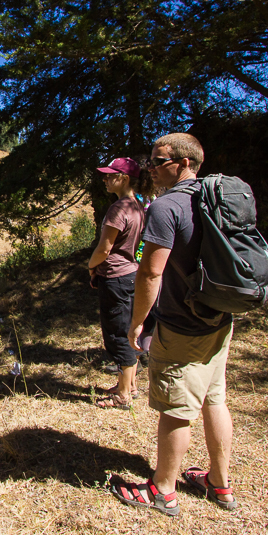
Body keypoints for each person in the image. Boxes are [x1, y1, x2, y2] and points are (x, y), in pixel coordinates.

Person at [109, 133, 237, 516]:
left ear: (183, 163)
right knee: (215, 399)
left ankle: (162, 490)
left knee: (177, 408)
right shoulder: (216, 198)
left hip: (182, 322)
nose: (150, 167)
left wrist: (138, 323)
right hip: (218, 316)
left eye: (157, 160)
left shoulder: (167, 207)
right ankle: (219, 482)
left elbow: (150, 272)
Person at [87, 157, 152, 409]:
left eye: (109, 175)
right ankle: (129, 385)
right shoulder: (138, 205)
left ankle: (123, 396)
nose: (104, 179)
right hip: (130, 274)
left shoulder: (118, 208)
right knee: (128, 328)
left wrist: (91, 266)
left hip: (114, 276)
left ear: (123, 178)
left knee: (117, 333)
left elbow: (104, 248)